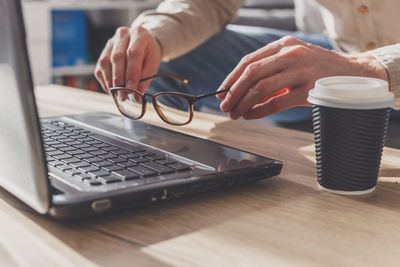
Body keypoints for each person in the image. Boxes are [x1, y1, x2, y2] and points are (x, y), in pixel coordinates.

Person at [95, 0, 400, 122]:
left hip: (381, 66)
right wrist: (151, 34)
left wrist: (370, 70)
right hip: (338, 50)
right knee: (165, 59)